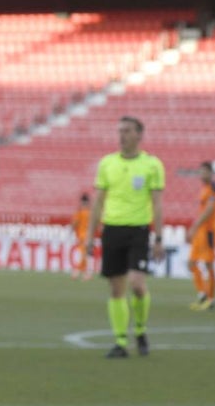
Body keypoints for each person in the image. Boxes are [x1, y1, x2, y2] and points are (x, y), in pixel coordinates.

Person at [85, 116, 165, 358]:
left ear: (139, 135)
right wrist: (90, 235)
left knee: (137, 284)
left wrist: (159, 238)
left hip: (139, 231)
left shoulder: (152, 165)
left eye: (128, 131)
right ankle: (120, 342)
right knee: (116, 288)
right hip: (112, 230)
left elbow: (158, 204)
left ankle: (140, 330)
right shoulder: (107, 163)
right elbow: (98, 202)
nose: (122, 135)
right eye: (120, 131)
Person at [185, 162, 215, 310]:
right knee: (191, 263)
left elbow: (210, 210)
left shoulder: (214, 188)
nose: (202, 174)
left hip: (210, 231)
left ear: (211, 173)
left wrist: (194, 226)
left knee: (208, 263)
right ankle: (202, 296)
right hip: (200, 231)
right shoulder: (204, 188)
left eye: (205, 172)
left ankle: (210, 299)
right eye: (200, 172)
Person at [70, 193, 93, 280]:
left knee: (83, 255)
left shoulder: (80, 212)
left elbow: (75, 223)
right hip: (90, 236)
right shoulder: (91, 212)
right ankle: (86, 273)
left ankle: (78, 272)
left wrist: (71, 230)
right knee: (87, 255)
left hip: (82, 236)